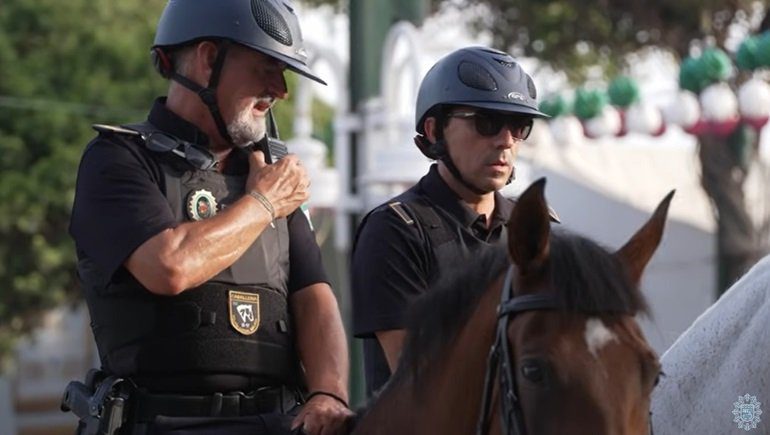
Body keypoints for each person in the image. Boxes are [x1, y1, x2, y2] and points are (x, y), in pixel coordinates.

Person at [66, 0, 352, 433]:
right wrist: (263, 205)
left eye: (284, 73)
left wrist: (329, 392)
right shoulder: (118, 159)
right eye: (266, 68)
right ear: (208, 59)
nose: (280, 90)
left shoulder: (267, 173)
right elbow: (169, 267)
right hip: (164, 423)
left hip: (277, 421)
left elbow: (314, 294)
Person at [351, 46, 555, 395]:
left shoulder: (535, 227)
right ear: (434, 130)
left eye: (520, 126)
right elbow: (419, 378)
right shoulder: (394, 230)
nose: (505, 140)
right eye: (486, 122)